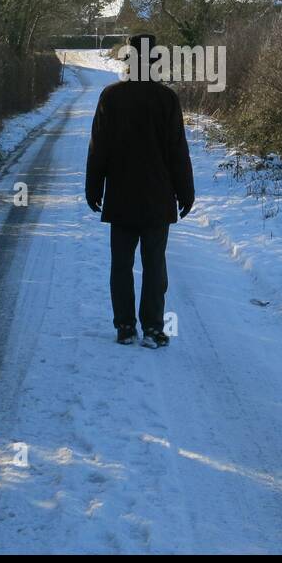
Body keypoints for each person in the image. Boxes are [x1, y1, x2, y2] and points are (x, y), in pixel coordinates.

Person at [85, 33, 195, 347]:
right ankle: (152, 328)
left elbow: (98, 148)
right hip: (158, 198)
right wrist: (185, 193)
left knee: (121, 265)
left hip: (121, 196)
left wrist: (93, 187)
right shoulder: (166, 99)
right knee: (154, 265)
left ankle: (124, 326)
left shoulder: (111, 97)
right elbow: (177, 152)